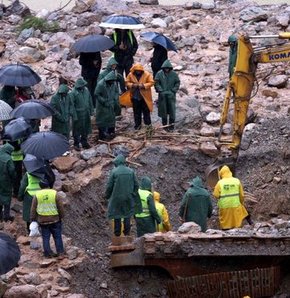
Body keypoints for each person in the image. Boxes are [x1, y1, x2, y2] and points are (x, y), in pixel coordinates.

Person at [105, 154, 140, 237]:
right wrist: (133, 193)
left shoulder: (114, 172)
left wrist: (107, 195)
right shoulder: (131, 171)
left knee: (117, 215)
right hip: (128, 197)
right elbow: (136, 185)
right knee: (127, 215)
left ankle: (117, 235)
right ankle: (127, 233)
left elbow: (109, 185)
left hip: (116, 198)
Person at [30, 179, 65, 258]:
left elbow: (33, 208)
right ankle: (60, 253)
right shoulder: (54, 193)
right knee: (57, 236)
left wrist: (33, 218)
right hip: (55, 219)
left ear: (40, 186)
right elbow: (60, 207)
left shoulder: (37, 195)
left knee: (45, 237)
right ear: (48, 185)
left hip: (43, 220)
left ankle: (47, 253)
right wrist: (61, 216)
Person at [213, 165, 248, 230]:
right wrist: (241, 203)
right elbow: (241, 195)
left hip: (224, 207)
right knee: (236, 223)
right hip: (236, 205)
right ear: (229, 172)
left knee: (226, 224)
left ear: (221, 174)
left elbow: (216, 195)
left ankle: (225, 232)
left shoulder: (220, 183)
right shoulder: (237, 181)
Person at [125, 63, 154, 130]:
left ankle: (148, 126)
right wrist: (132, 85)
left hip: (145, 97)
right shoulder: (130, 75)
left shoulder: (147, 74)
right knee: (136, 112)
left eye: (139, 70)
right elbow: (126, 82)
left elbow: (152, 82)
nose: (138, 71)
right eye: (137, 70)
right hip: (135, 97)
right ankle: (137, 126)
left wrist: (143, 85)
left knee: (146, 112)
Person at [155, 59, 180, 131]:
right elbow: (156, 82)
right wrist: (160, 90)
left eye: (167, 68)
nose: (166, 69)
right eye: (165, 68)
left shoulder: (174, 74)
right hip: (162, 96)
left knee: (172, 111)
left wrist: (174, 90)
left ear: (170, 68)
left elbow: (177, 82)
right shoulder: (159, 74)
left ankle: (171, 126)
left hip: (171, 95)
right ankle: (165, 126)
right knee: (164, 111)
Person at [95, 71, 119, 141]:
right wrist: (104, 101)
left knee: (111, 119)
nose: (112, 82)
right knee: (102, 120)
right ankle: (102, 135)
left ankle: (111, 132)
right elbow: (97, 94)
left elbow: (116, 92)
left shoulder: (113, 84)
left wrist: (115, 99)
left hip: (111, 104)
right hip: (102, 106)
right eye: (111, 81)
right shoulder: (101, 84)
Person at [70, 78, 94, 150]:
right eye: (82, 85)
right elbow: (72, 105)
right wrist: (74, 115)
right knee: (77, 129)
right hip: (78, 114)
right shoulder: (73, 93)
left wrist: (91, 110)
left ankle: (84, 142)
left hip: (86, 112)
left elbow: (90, 100)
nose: (83, 86)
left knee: (85, 128)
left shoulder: (86, 90)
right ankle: (76, 143)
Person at [0, 144, 16, 222]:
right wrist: (13, 180)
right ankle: (6, 216)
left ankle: (0, 216)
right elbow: (12, 170)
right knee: (6, 197)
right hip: (5, 181)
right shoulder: (8, 159)